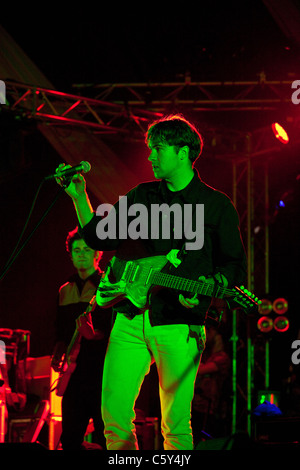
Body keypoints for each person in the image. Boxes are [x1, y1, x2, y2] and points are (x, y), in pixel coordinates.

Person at [55, 114, 247, 450]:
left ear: (183, 151)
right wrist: (78, 195)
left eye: (157, 149)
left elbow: (234, 268)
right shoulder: (143, 196)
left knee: (174, 425)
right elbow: (100, 235)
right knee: (113, 418)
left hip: (178, 324)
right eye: (149, 149)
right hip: (129, 318)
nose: (150, 156)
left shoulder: (216, 206)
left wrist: (202, 295)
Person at [51, 228, 112, 450]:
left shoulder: (107, 287)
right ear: (70, 255)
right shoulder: (64, 290)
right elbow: (60, 332)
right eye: (77, 250)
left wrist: (94, 336)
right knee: (69, 438)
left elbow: (115, 332)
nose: (82, 254)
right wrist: (58, 351)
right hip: (73, 377)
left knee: (105, 438)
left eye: (87, 250)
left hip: (102, 376)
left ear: (97, 255)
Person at [191, 321, 231, 443]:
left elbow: (201, 370)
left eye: (208, 331)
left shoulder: (222, 357)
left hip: (211, 409)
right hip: (197, 407)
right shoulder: (206, 354)